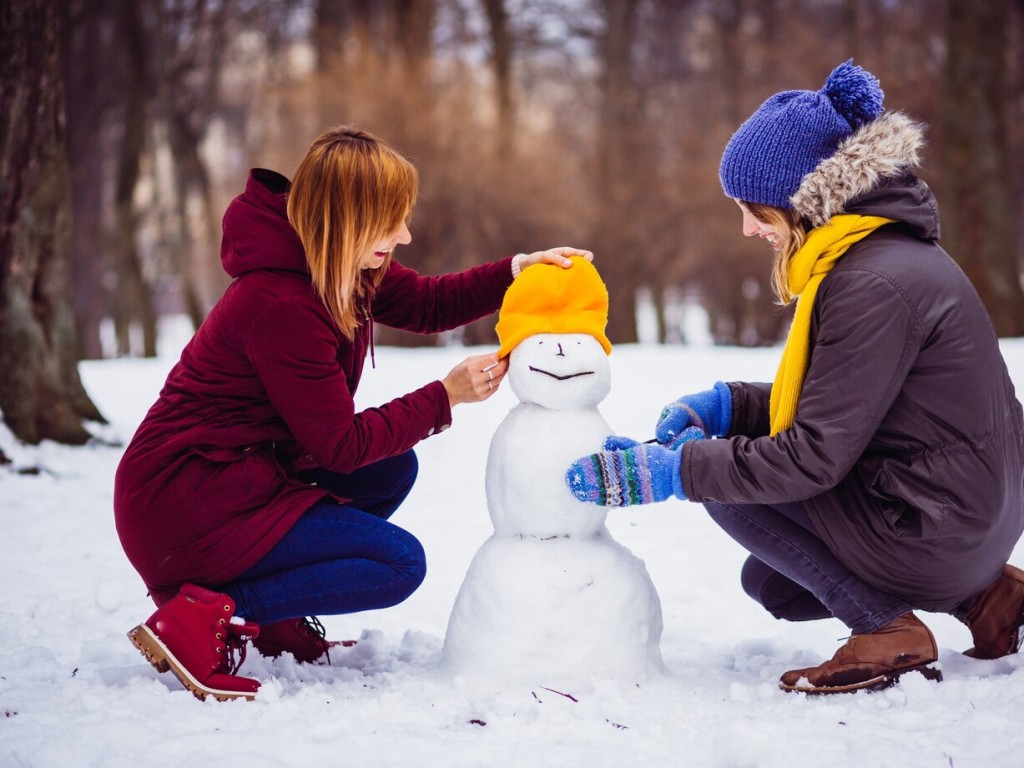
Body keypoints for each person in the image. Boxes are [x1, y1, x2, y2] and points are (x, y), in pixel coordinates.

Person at [565, 60, 1024, 694]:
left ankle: (888, 632)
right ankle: (990, 600)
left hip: (939, 526)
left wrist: (676, 471)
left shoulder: (870, 282)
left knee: (720, 478)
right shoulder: (885, 254)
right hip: (966, 517)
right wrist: (727, 405)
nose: (748, 227)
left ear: (805, 200)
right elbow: (850, 404)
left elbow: (811, 459)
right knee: (774, 584)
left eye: (756, 209)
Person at [115, 124, 592, 701]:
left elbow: (427, 301)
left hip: (238, 474)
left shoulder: (340, 266)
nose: (406, 236)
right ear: (351, 219)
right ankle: (207, 619)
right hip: (186, 501)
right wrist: (444, 397)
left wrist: (517, 269)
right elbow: (337, 446)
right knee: (397, 564)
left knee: (393, 470)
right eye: (393, 222)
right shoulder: (280, 304)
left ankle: (270, 623)